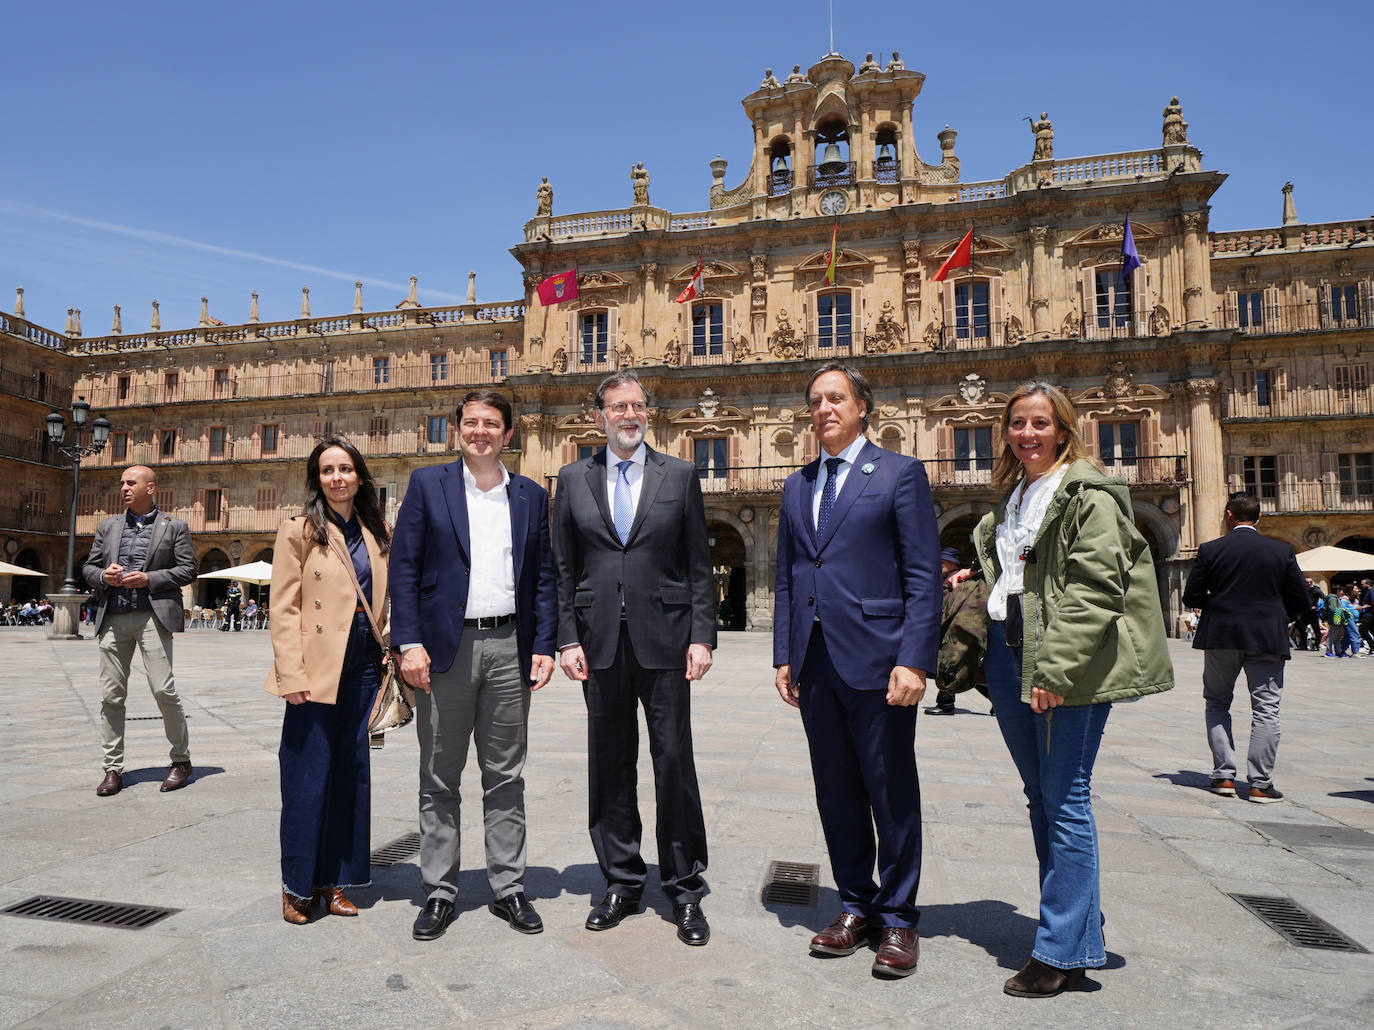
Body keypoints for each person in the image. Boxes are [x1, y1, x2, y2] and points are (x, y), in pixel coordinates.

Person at [973, 381, 1173, 998]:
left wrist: (1054, 671)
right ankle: (1077, 932)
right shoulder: (1018, 494)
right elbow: (1022, 572)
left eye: (1039, 423)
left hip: (1059, 665)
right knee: (1042, 795)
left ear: (1063, 429)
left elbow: (1093, 589)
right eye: (1017, 424)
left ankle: (1058, 951)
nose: (1027, 434)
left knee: (1064, 800)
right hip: (1009, 655)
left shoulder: (1088, 493)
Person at [774, 362, 942, 978]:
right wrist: (785, 654)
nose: (824, 409)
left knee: (890, 789)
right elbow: (791, 574)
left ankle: (898, 918)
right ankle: (855, 904)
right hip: (817, 663)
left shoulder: (899, 473)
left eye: (836, 398)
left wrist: (914, 659)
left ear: (862, 407)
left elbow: (923, 576)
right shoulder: (798, 483)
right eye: (816, 400)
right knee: (836, 792)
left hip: (880, 660)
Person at [553, 370, 716, 946]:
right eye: (618, 407)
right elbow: (563, 568)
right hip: (597, 642)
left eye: (638, 406)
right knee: (610, 763)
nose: (629, 415)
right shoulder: (572, 479)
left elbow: (698, 563)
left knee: (674, 760)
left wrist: (703, 636)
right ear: (599, 416)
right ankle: (621, 880)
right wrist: (566, 639)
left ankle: (685, 886)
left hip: (667, 638)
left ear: (649, 413)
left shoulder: (681, 474)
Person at [389, 390, 557, 942]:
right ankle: (439, 890)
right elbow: (405, 570)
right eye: (470, 422)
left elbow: (543, 577)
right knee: (438, 777)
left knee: (505, 775)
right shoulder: (427, 485)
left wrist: (544, 644)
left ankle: (508, 886)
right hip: (442, 651)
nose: (479, 431)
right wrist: (407, 642)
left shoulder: (531, 495)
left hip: (509, 645)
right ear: (457, 429)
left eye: (490, 423)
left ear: (508, 434)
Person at [264, 438, 390, 924]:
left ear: (360, 475)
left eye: (345, 468)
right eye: (327, 471)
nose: (337, 478)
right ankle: (296, 884)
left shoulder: (377, 531)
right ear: (316, 480)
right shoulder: (299, 530)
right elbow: (283, 608)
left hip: (363, 666)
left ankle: (336, 881)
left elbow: (387, 597)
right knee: (305, 776)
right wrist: (290, 673)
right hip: (315, 669)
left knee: (350, 775)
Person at [1183, 490, 1309, 805]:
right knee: (1266, 709)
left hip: (1221, 636)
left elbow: (1192, 597)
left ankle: (1224, 776)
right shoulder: (1280, 550)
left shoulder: (1211, 549)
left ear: (1228, 514)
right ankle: (1259, 784)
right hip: (1267, 636)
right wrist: (1285, 616)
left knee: (1216, 703)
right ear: (1259, 517)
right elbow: (1300, 600)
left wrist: (1219, 603)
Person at [81, 465, 198, 797]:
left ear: (151, 488)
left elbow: (188, 568)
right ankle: (112, 768)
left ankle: (180, 760)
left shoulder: (174, 526)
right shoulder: (108, 526)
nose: (124, 488)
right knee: (110, 696)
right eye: (122, 483)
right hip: (113, 616)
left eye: (131, 483)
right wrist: (103, 576)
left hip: (152, 616)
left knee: (163, 690)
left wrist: (150, 579)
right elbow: (88, 566)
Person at [925, 547, 992, 717]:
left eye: (943, 562)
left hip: (960, 630)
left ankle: (945, 705)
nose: (939, 565)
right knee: (970, 672)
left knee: (954, 663)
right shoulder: (946, 580)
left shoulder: (964, 582)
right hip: (953, 630)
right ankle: (997, 702)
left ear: (954, 563)